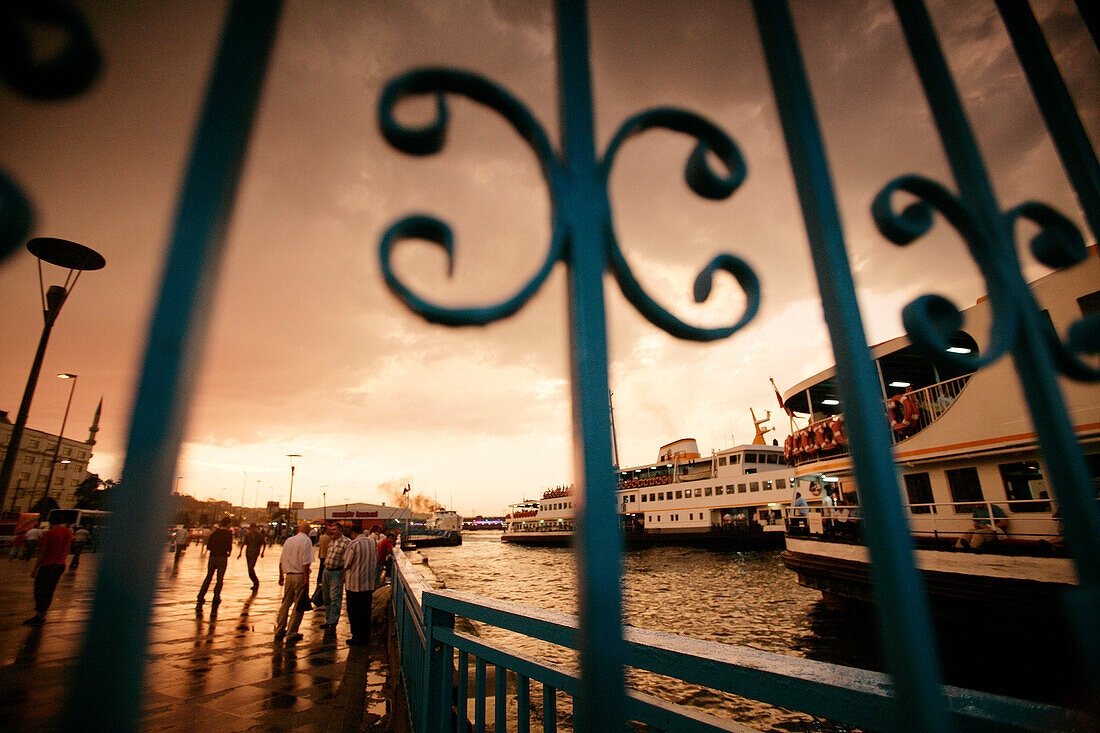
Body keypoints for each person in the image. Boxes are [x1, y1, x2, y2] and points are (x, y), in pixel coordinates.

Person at [24, 521, 72, 625]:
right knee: (50, 589)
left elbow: (43, 551)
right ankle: (43, 613)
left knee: (40, 589)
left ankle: (40, 613)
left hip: (48, 565)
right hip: (60, 564)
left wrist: (36, 567)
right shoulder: (68, 532)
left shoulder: (49, 534)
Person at [275, 521, 314, 643]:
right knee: (298, 604)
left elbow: (282, 560)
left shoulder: (289, 541)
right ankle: (292, 632)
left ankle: (280, 629)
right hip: (299, 575)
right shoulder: (306, 541)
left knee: (285, 603)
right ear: (307, 530)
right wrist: (306, 579)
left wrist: (281, 575)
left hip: (289, 575)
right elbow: (306, 562)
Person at [343, 524, 378, 646]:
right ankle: (365, 636)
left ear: (353, 533)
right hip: (368, 584)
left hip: (354, 585)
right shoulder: (373, 543)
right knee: (366, 611)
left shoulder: (353, 544)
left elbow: (347, 563)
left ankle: (356, 637)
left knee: (354, 612)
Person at [196, 517, 233, 610]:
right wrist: (227, 552)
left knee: (209, 577)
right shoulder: (228, 534)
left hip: (213, 557)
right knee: (219, 579)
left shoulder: (214, 533)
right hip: (222, 557)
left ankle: (201, 595)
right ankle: (216, 597)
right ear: (228, 524)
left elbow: (209, 546)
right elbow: (229, 546)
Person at [321, 523, 350, 630]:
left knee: (335, 597)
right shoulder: (331, 541)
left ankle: (333, 621)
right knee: (327, 597)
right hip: (327, 571)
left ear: (340, 530)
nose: (332, 531)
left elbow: (348, 558)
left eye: (334, 529)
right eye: (331, 529)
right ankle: (328, 619)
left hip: (337, 573)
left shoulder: (346, 542)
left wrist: (345, 573)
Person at [237, 524, 266, 590]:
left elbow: (264, 543)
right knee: (249, 570)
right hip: (248, 553)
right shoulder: (248, 536)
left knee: (251, 567)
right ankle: (255, 582)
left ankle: (256, 583)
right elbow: (243, 544)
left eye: (253, 528)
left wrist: (262, 552)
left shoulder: (259, 536)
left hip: (255, 553)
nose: (252, 530)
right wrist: (240, 553)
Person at [312, 521, 332, 607]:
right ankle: (321, 596)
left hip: (321, 557)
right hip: (325, 559)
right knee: (323, 578)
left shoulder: (321, 537)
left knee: (320, 577)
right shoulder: (327, 538)